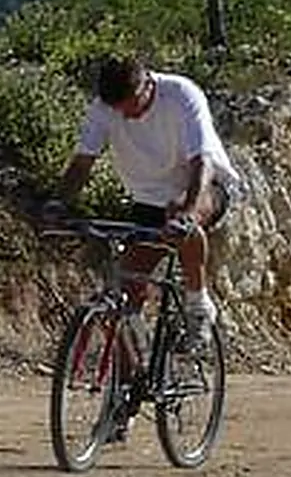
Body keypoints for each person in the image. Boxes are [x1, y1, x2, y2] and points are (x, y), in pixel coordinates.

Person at [47, 55, 240, 351]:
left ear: (148, 83)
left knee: (179, 216)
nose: (127, 114)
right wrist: (60, 203)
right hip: (149, 201)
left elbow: (202, 160)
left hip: (204, 187)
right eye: (118, 109)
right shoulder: (104, 108)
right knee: (122, 296)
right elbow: (83, 161)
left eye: (132, 103)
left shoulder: (180, 94)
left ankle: (198, 304)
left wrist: (188, 211)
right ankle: (126, 386)